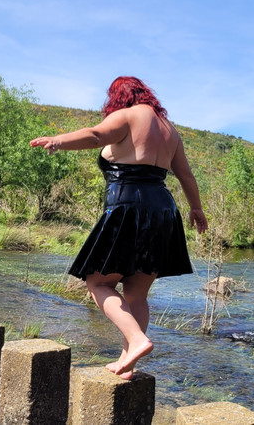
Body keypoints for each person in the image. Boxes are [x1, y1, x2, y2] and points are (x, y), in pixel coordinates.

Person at [30, 76, 207, 380]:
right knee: (137, 293)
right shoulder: (170, 130)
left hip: (127, 207)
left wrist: (59, 141)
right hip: (163, 211)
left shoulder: (127, 114)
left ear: (117, 97)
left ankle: (137, 341)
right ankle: (128, 362)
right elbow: (186, 176)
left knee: (97, 282)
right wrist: (196, 209)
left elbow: (95, 135)